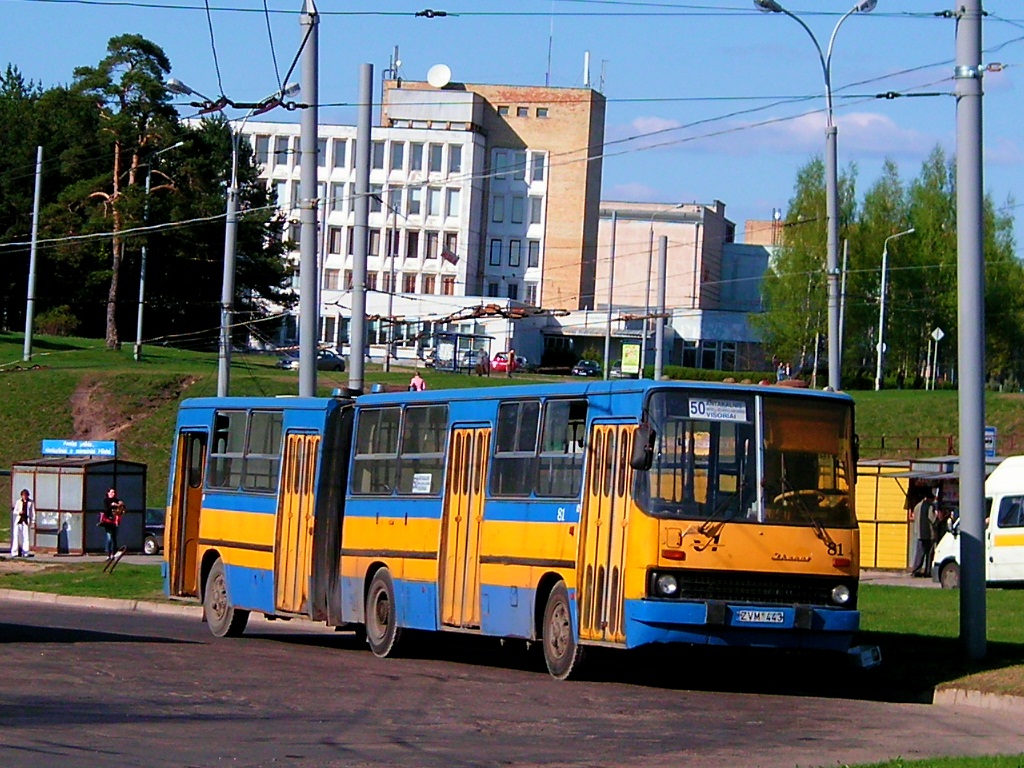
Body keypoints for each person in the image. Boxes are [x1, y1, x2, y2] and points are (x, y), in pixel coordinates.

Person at [910, 487, 938, 577]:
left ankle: (916, 570)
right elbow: (932, 519)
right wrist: (937, 516)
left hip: (918, 533)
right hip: (928, 534)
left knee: (919, 553)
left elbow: (914, 518)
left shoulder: (917, 506)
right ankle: (927, 571)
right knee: (929, 554)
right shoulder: (929, 506)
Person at [99, 487, 125, 560]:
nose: (113, 494)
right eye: (111, 492)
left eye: (114, 492)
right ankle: (108, 553)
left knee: (114, 538)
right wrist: (111, 506)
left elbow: (122, 508)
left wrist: (121, 504)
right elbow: (105, 511)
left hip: (115, 521)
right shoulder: (106, 501)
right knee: (109, 537)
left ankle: (113, 553)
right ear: (108, 493)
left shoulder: (116, 500)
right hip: (108, 521)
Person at [10, 488, 35, 558]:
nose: (24, 497)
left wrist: (33, 521)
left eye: (26, 495)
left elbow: (32, 513)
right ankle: (14, 552)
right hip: (19, 520)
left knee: (26, 537)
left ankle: (25, 552)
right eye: (23, 495)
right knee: (16, 536)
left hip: (26, 521)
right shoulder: (18, 502)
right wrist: (19, 512)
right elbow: (15, 511)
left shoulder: (30, 502)